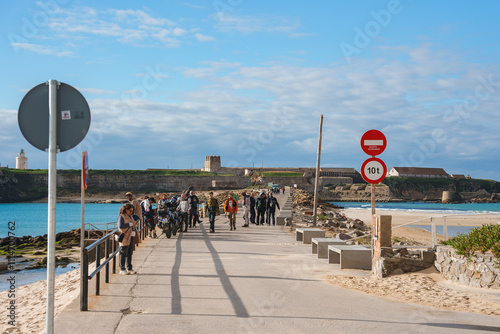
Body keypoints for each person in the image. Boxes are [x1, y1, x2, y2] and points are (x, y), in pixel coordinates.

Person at [117, 203, 139, 275]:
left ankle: (129, 268)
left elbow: (132, 224)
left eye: (132, 211)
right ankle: (122, 269)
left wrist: (134, 224)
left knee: (130, 253)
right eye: (130, 211)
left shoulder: (130, 216)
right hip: (125, 237)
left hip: (131, 236)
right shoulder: (121, 216)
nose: (131, 212)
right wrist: (130, 224)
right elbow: (120, 225)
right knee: (123, 252)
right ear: (126, 210)